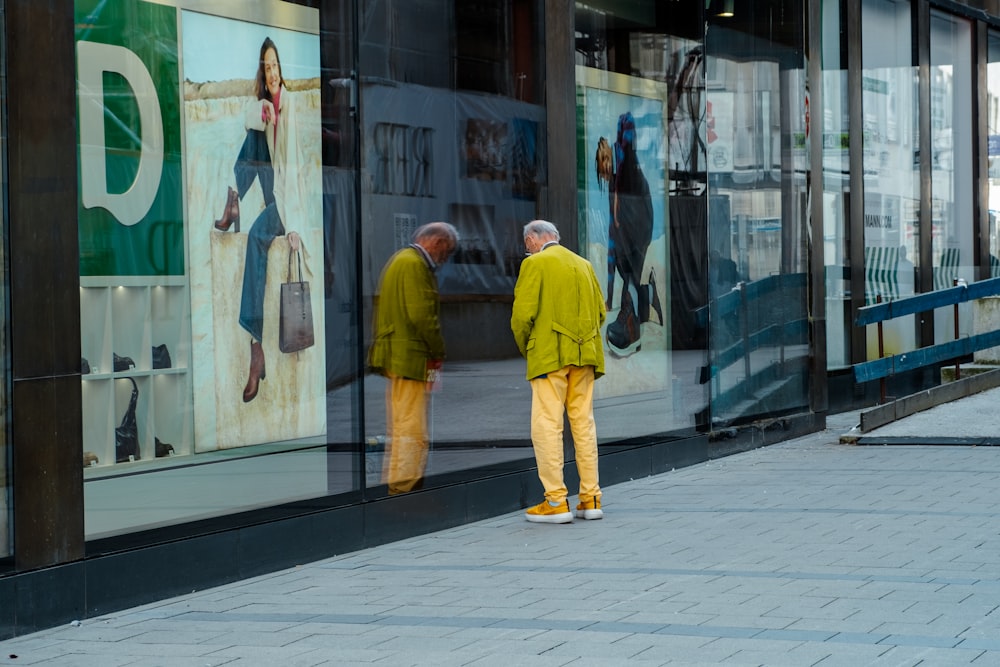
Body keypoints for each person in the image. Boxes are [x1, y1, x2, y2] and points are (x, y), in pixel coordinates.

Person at [213, 37, 302, 403]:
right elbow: (249, 127)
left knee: (254, 238)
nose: (271, 72)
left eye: (275, 65)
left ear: (282, 70)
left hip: (285, 200)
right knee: (254, 129)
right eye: (266, 66)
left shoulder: (292, 106)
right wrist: (263, 112)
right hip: (271, 193)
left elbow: (294, 168)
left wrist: (293, 223)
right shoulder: (268, 107)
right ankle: (233, 200)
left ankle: (255, 348)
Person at [511, 220, 606, 523]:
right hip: (586, 354)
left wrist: (529, 348)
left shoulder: (535, 264)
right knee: (584, 425)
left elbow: (522, 317)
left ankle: (555, 502)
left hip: (550, 355)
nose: (528, 250)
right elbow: (601, 312)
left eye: (527, 245)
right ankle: (591, 499)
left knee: (547, 426)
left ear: (532, 239)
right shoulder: (584, 264)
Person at [368, 222, 459, 495]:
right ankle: (404, 486)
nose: (446, 258)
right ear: (437, 242)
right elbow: (422, 316)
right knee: (411, 426)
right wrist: (438, 352)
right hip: (409, 358)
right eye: (448, 251)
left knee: (401, 423)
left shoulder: (401, 259)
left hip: (399, 356)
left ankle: (397, 482)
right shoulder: (414, 264)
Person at [605, 112, 662, 358]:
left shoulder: (629, 170)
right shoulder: (627, 170)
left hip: (633, 230)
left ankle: (634, 327)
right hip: (630, 230)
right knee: (633, 278)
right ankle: (635, 326)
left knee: (633, 277)